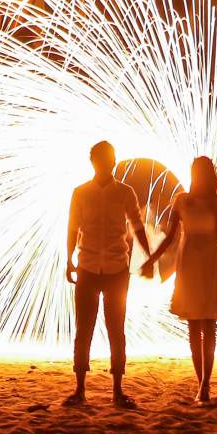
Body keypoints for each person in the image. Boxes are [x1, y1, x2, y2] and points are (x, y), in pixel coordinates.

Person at [64, 139, 151, 408]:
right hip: (89, 265)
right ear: (94, 162)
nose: (104, 164)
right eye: (100, 159)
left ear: (112, 162)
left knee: (116, 330)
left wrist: (147, 256)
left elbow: (137, 226)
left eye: (107, 159)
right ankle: (80, 389)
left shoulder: (125, 193)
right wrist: (69, 259)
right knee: (84, 329)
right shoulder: (80, 193)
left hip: (115, 269)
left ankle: (116, 390)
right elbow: (72, 228)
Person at [141, 156, 217, 404]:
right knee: (195, 325)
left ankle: (205, 384)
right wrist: (153, 258)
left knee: (208, 325)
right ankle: (201, 382)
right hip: (190, 264)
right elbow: (171, 235)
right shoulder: (182, 200)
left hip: (210, 264)